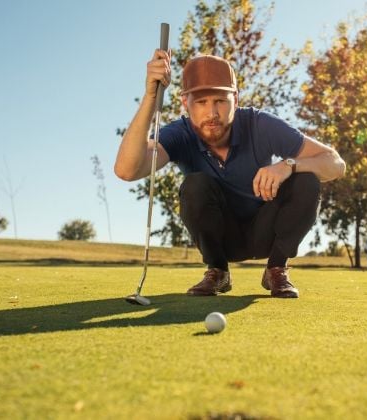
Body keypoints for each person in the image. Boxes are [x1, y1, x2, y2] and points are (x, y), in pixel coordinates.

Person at [115, 49, 346, 298]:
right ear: (185, 103)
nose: (212, 113)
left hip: (266, 232)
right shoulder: (180, 133)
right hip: (222, 239)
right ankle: (218, 271)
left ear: (235, 98)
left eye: (220, 101)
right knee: (194, 185)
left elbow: (335, 163)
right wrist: (151, 96)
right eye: (201, 102)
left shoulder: (259, 124)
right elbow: (126, 170)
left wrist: (287, 165)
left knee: (306, 178)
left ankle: (276, 269)